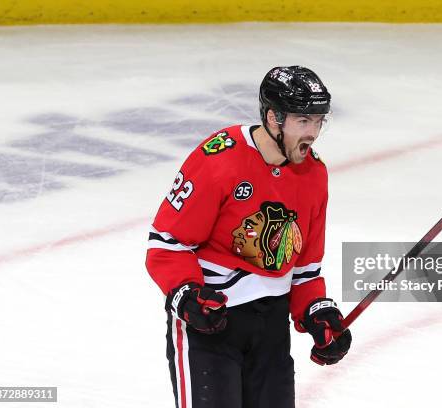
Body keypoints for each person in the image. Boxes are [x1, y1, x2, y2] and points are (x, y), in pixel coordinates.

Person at [146, 65, 352, 408]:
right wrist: (187, 293)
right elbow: (167, 244)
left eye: (318, 121)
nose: (313, 132)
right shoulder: (220, 159)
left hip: (271, 329)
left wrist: (316, 313)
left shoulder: (314, 174)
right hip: (212, 325)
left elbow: (304, 270)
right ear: (274, 118)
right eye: (304, 121)